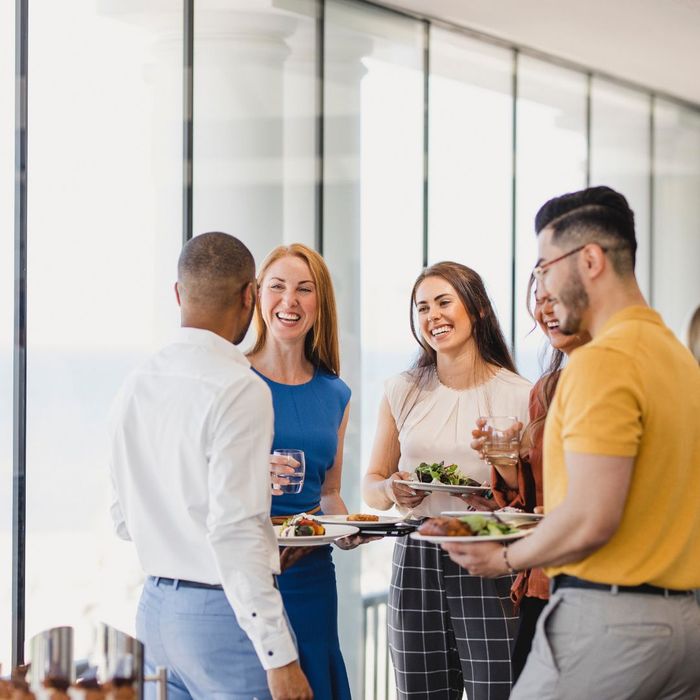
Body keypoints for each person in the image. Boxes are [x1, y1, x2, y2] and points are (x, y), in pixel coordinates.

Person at [442, 186, 700, 700]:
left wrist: (503, 560)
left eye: (545, 266)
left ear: (589, 260)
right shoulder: (677, 358)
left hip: (611, 624)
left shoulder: (602, 362)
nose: (543, 285)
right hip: (686, 626)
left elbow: (590, 519)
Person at [108, 232, 312, 700]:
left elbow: (122, 518)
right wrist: (280, 657)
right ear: (249, 296)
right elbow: (234, 530)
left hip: (154, 615)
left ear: (178, 294)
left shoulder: (135, 383)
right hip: (224, 616)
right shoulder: (239, 388)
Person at [362, 261, 532, 700]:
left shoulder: (520, 394)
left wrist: (502, 480)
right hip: (416, 552)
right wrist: (392, 489)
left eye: (443, 302)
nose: (433, 316)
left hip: (488, 552)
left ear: (475, 309)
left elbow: (533, 500)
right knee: (419, 693)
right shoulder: (402, 389)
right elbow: (372, 486)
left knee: (494, 691)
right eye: (422, 308)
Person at [466, 277, 590, 682]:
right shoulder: (545, 391)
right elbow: (525, 499)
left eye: (555, 298)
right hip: (543, 584)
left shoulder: (622, 380)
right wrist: (502, 460)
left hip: (601, 586)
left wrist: (504, 559)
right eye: (538, 300)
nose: (545, 310)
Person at [247, 243, 352, 700]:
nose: (289, 301)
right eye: (278, 287)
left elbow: (329, 493)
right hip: (248, 573)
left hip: (311, 576)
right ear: (257, 296)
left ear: (319, 303)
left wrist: (347, 529)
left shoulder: (336, 392)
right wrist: (251, 472)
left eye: (304, 290)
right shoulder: (234, 380)